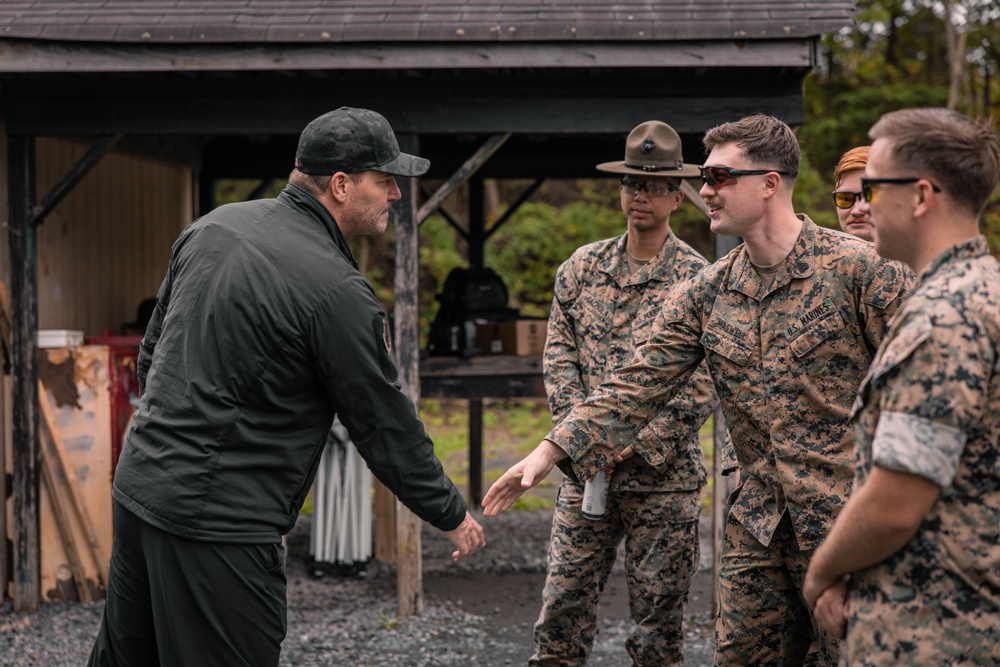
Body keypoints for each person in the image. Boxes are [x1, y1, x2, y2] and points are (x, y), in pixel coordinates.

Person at [483, 114, 913, 666]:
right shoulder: (707, 292)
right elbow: (636, 383)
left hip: (846, 528)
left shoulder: (862, 272)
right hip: (756, 530)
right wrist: (549, 452)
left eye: (718, 177)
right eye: (704, 178)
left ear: (770, 182)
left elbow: (922, 394)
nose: (704, 191)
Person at [88, 107, 486, 667]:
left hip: (139, 493)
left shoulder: (213, 226)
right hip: (219, 528)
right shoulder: (336, 290)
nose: (396, 195)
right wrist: (449, 511)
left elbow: (151, 358)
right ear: (342, 185)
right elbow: (382, 423)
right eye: (385, 179)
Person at [803, 108, 1000, 665]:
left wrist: (822, 572)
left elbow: (895, 504)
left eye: (872, 189)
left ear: (919, 197)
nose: (860, 206)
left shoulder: (943, 317)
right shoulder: (982, 289)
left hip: (934, 630)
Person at [533, 121, 718, 666]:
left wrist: (637, 444)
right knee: (561, 611)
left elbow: (703, 379)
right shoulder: (583, 267)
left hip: (662, 479)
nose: (641, 194)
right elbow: (558, 352)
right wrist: (581, 437)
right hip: (583, 472)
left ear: (676, 197)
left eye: (655, 185)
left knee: (658, 627)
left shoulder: (696, 277)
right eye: (632, 183)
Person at [832, 146, 875, 242]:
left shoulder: (914, 255)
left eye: (869, 197)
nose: (856, 211)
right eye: (845, 199)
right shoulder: (817, 255)